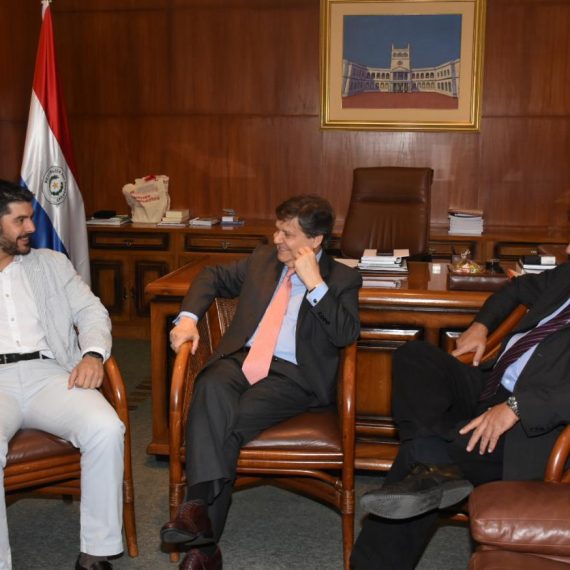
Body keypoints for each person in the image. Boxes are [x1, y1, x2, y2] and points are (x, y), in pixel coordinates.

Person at [161, 195, 361, 570]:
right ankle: (198, 518)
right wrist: (187, 319)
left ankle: (201, 537)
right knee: (209, 384)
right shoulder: (263, 259)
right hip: (243, 360)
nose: (277, 239)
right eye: (277, 229)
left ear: (315, 240)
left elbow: (345, 334)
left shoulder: (342, 278)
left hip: (294, 376)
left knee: (225, 424)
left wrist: (315, 284)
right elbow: (210, 275)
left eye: (287, 233)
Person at [350, 241, 570, 570]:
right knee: (415, 356)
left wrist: (519, 406)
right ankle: (435, 466)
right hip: (491, 386)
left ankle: (430, 466)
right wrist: (481, 326)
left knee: (423, 453)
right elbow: (515, 290)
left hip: (533, 428)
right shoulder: (566, 276)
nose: (568, 247)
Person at [0, 180, 125, 570]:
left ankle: (97, 551)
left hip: (50, 372)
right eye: (20, 220)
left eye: (30, 218)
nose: (31, 228)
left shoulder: (51, 264)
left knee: (106, 427)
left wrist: (92, 354)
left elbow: (91, 312)